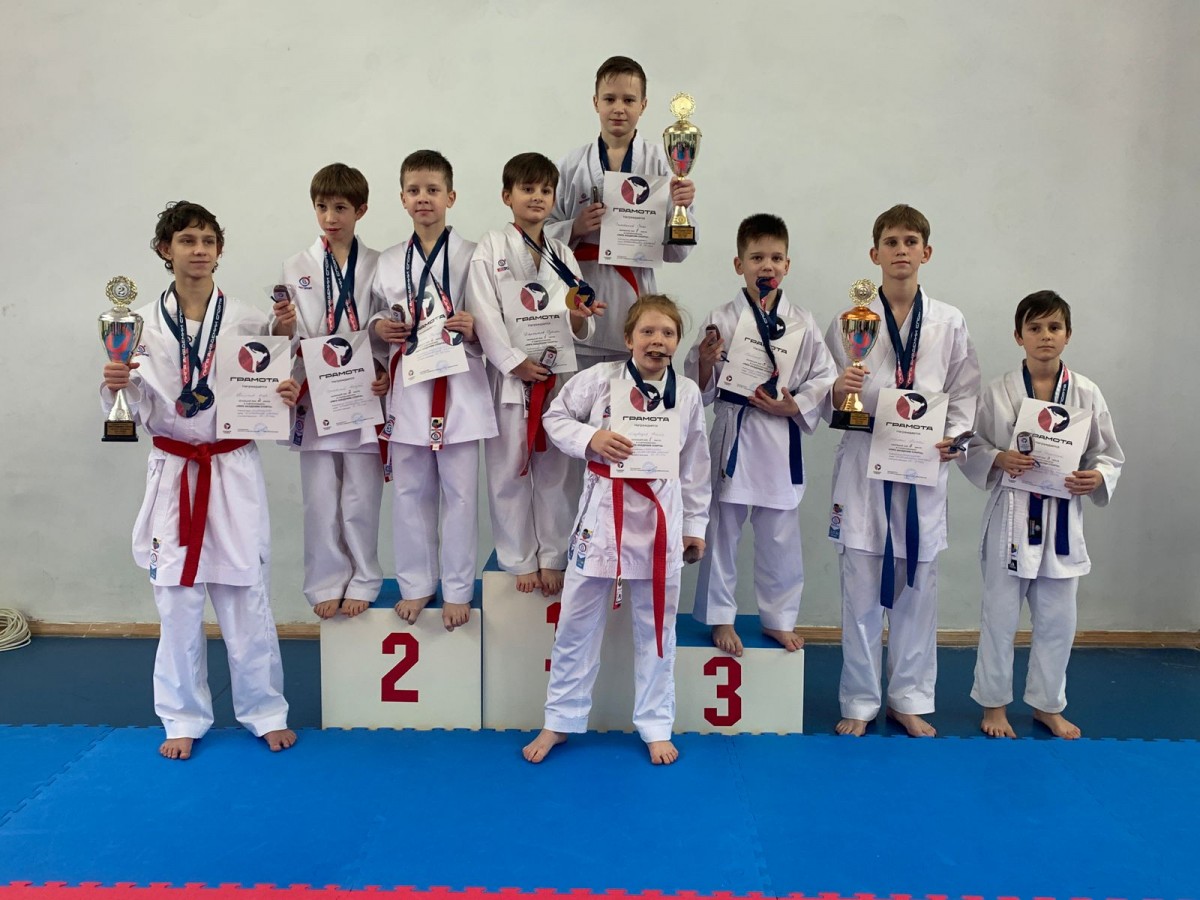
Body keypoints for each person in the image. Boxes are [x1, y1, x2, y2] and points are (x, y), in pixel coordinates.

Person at [101, 201, 298, 760]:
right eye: (187, 240)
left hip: (232, 469)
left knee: (246, 593)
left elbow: (274, 388)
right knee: (177, 600)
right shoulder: (136, 324)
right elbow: (132, 409)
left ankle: (265, 710)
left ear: (219, 250)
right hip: (175, 470)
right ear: (166, 249)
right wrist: (117, 384)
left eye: (208, 240)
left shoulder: (249, 319)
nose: (199, 250)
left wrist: (287, 390)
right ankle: (182, 715)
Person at [523, 295, 710, 766]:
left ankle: (656, 724)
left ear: (676, 342)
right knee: (575, 625)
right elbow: (554, 417)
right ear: (629, 339)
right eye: (647, 332)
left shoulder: (687, 393)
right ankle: (559, 720)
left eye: (667, 333)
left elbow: (695, 464)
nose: (657, 341)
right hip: (603, 517)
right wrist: (592, 437)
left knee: (658, 629)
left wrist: (695, 526)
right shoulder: (599, 380)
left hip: (661, 519)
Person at [825, 204, 980, 738]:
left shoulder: (949, 321)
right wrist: (838, 390)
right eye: (891, 242)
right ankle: (860, 700)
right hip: (864, 461)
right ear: (875, 253)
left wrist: (954, 438)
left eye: (910, 242)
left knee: (918, 588)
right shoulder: (849, 320)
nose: (901, 250)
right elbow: (826, 392)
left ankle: (908, 698)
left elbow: (965, 391)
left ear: (926, 252)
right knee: (860, 590)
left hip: (921, 465)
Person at [961, 291, 1123, 739]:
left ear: (1068, 335)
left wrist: (1097, 476)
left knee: (1058, 619)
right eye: (1034, 328)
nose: (1045, 336)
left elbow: (1108, 454)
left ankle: (1047, 704)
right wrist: (998, 458)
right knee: (999, 614)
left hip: (1061, 517)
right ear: (1019, 336)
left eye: (1054, 327)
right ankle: (994, 704)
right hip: (1012, 515)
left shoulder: (1087, 392)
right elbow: (971, 444)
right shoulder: (998, 391)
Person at [685, 214, 837, 655]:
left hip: (778, 436)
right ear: (739, 265)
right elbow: (698, 389)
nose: (766, 265)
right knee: (722, 530)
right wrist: (705, 362)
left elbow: (824, 377)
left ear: (787, 265)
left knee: (780, 535)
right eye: (756, 258)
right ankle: (719, 616)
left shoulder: (803, 321)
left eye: (775, 257)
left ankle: (780, 618)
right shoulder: (721, 317)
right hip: (734, 431)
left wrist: (796, 405)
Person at [466, 152, 603, 598]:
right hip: (512, 378)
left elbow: (578, 320)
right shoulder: (490, 247)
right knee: (509, 468)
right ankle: (519, 557)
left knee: (557, 469)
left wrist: (581, 315)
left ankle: (554, 555)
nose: (537, 197)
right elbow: (483, 312)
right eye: (527, 189)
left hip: (557, 376)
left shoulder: (562, 254)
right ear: (507, 196)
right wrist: (513, 362)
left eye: (546, 190)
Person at [370, 150, 497, 631]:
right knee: (409, 492)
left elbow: (495, 318)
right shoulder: (386, 262)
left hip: (460, 386)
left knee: (461, 495)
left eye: (432, 189)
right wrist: (380, 329)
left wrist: (476, 326)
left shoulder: (476, 255)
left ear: (451, 196)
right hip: (409, 387)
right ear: (402, 199)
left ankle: (458, 588)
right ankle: (416, 583)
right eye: (414, 190)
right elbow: (373, 321)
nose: (423, 198)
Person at [272, 163, 386, 620]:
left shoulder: (379, 264)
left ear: (361, 210)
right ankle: (324, 579)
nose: (330, 217)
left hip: (360, 390)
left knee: (361, 496)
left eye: (340, 208)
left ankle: (365, 576)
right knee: (320, 498)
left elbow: (382, 326)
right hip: (315, 393)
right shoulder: (295, 266)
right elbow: (289, 337)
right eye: (321, 207)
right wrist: (282, 330)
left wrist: (384, 368)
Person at [545, 55, 696, 367]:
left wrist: (682, 208)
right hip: (582, 301)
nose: (619, 108)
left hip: (635, 304)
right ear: (595, 102)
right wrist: (575, 228)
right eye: (609, 99)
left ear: (643, 105)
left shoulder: (663, 162)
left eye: (629, 100)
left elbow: (677, 253)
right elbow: (539, 237)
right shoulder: (570, 166)